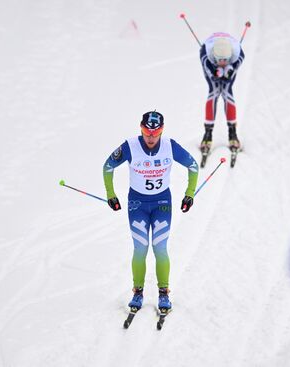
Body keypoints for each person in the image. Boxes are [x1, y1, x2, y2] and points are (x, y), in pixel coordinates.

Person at [103, 111, 199, 313]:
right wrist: (111, 195)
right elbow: (108, 166)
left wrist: (189, 194)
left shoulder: (169, 146)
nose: (151, 138)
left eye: (155, 133)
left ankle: (164, 294)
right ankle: (137, 293)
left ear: (162, 131)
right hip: (137, 204)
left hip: (162, 203)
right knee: (140, 248)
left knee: (160, 247)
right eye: (147, 133)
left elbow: (193, 165)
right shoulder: (130, 146)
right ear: (141, 128)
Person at [199, 32, 245, 155]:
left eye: (226, 60)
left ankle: (232, 133)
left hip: (228, 56)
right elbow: (209, 70)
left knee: (227, 91)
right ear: (215, 56)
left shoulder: (237, 54)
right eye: (220, 60)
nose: (223, 62)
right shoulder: (206, 54)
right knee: (214, 91)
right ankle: (207, 134)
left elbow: (235, 65)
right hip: (210, 59)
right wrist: (215, 73)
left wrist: (229, 71)